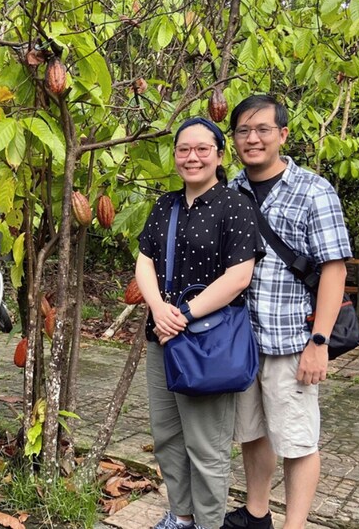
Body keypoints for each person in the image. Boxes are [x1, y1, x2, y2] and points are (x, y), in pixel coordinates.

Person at [222, 95, 351, 529]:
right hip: (241, 341)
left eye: (262, 129)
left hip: (292, 342)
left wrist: (320, 342)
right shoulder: (230, 191)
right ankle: (257, 514)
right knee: (252, 433)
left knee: (297, 440)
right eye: (243, 130)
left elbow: (334, 270)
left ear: (282, 135)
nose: (252, 138)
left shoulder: (314, 190)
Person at [135, 117, 262, 529]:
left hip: (209, 343)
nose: (192, 157)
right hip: (163, 337)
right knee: (169, 439)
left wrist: (184, 314)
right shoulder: (165, 206)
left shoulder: (235, 205)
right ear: (175, 156)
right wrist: (158, 309)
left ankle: (209, 524)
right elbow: (145, 262)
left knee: (207, 447)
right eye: (183, 149)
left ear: (219, 155)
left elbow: (238, 277)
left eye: (202, 149)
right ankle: (182, 517)